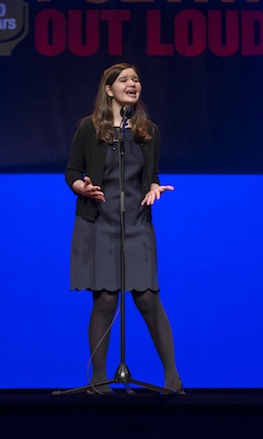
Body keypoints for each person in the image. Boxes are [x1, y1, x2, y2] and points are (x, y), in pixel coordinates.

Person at [65, 62, 182, 394]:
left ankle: (173, 377)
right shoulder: (89, 129)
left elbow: (152, 174)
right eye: (125, 79)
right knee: (105, 299)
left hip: (136, 221)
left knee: (147, 297)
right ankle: (99, 379)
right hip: (100, 221)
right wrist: (81, 187)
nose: (134, 84)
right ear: (108, 89)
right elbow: (72, 170)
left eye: (137, 79)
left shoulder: (148, 132)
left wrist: (155, 187)